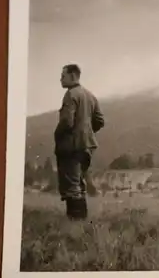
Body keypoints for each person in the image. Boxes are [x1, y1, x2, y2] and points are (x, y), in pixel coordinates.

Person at [54, 64, 105, 220]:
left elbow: (67, 122)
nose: (60, 79)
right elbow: (100, 121)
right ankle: (80, 224)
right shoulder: (90, 95)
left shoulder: (70, 95)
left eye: (63, 76)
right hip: (87, 147)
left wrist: (58, 134)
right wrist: (86, 132)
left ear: (73, 76)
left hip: (72, 147)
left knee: (72, 186)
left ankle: (75, 224)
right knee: (79, 184)